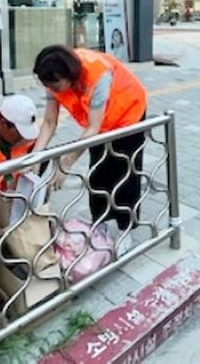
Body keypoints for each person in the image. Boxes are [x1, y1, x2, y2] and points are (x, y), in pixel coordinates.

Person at [32, 45, 147, 256]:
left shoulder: (96, 75)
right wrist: (36, 157)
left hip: (128, 115)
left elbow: (92, 128)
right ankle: (100, 222)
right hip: (99, 123)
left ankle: (125, 229)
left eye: (55, 85)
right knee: (98, 172)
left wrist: (65, 164)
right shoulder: (53, 79)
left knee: (125, 173)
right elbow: (49, 122)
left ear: (69, 75)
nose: (52, 90)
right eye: (47, 85)